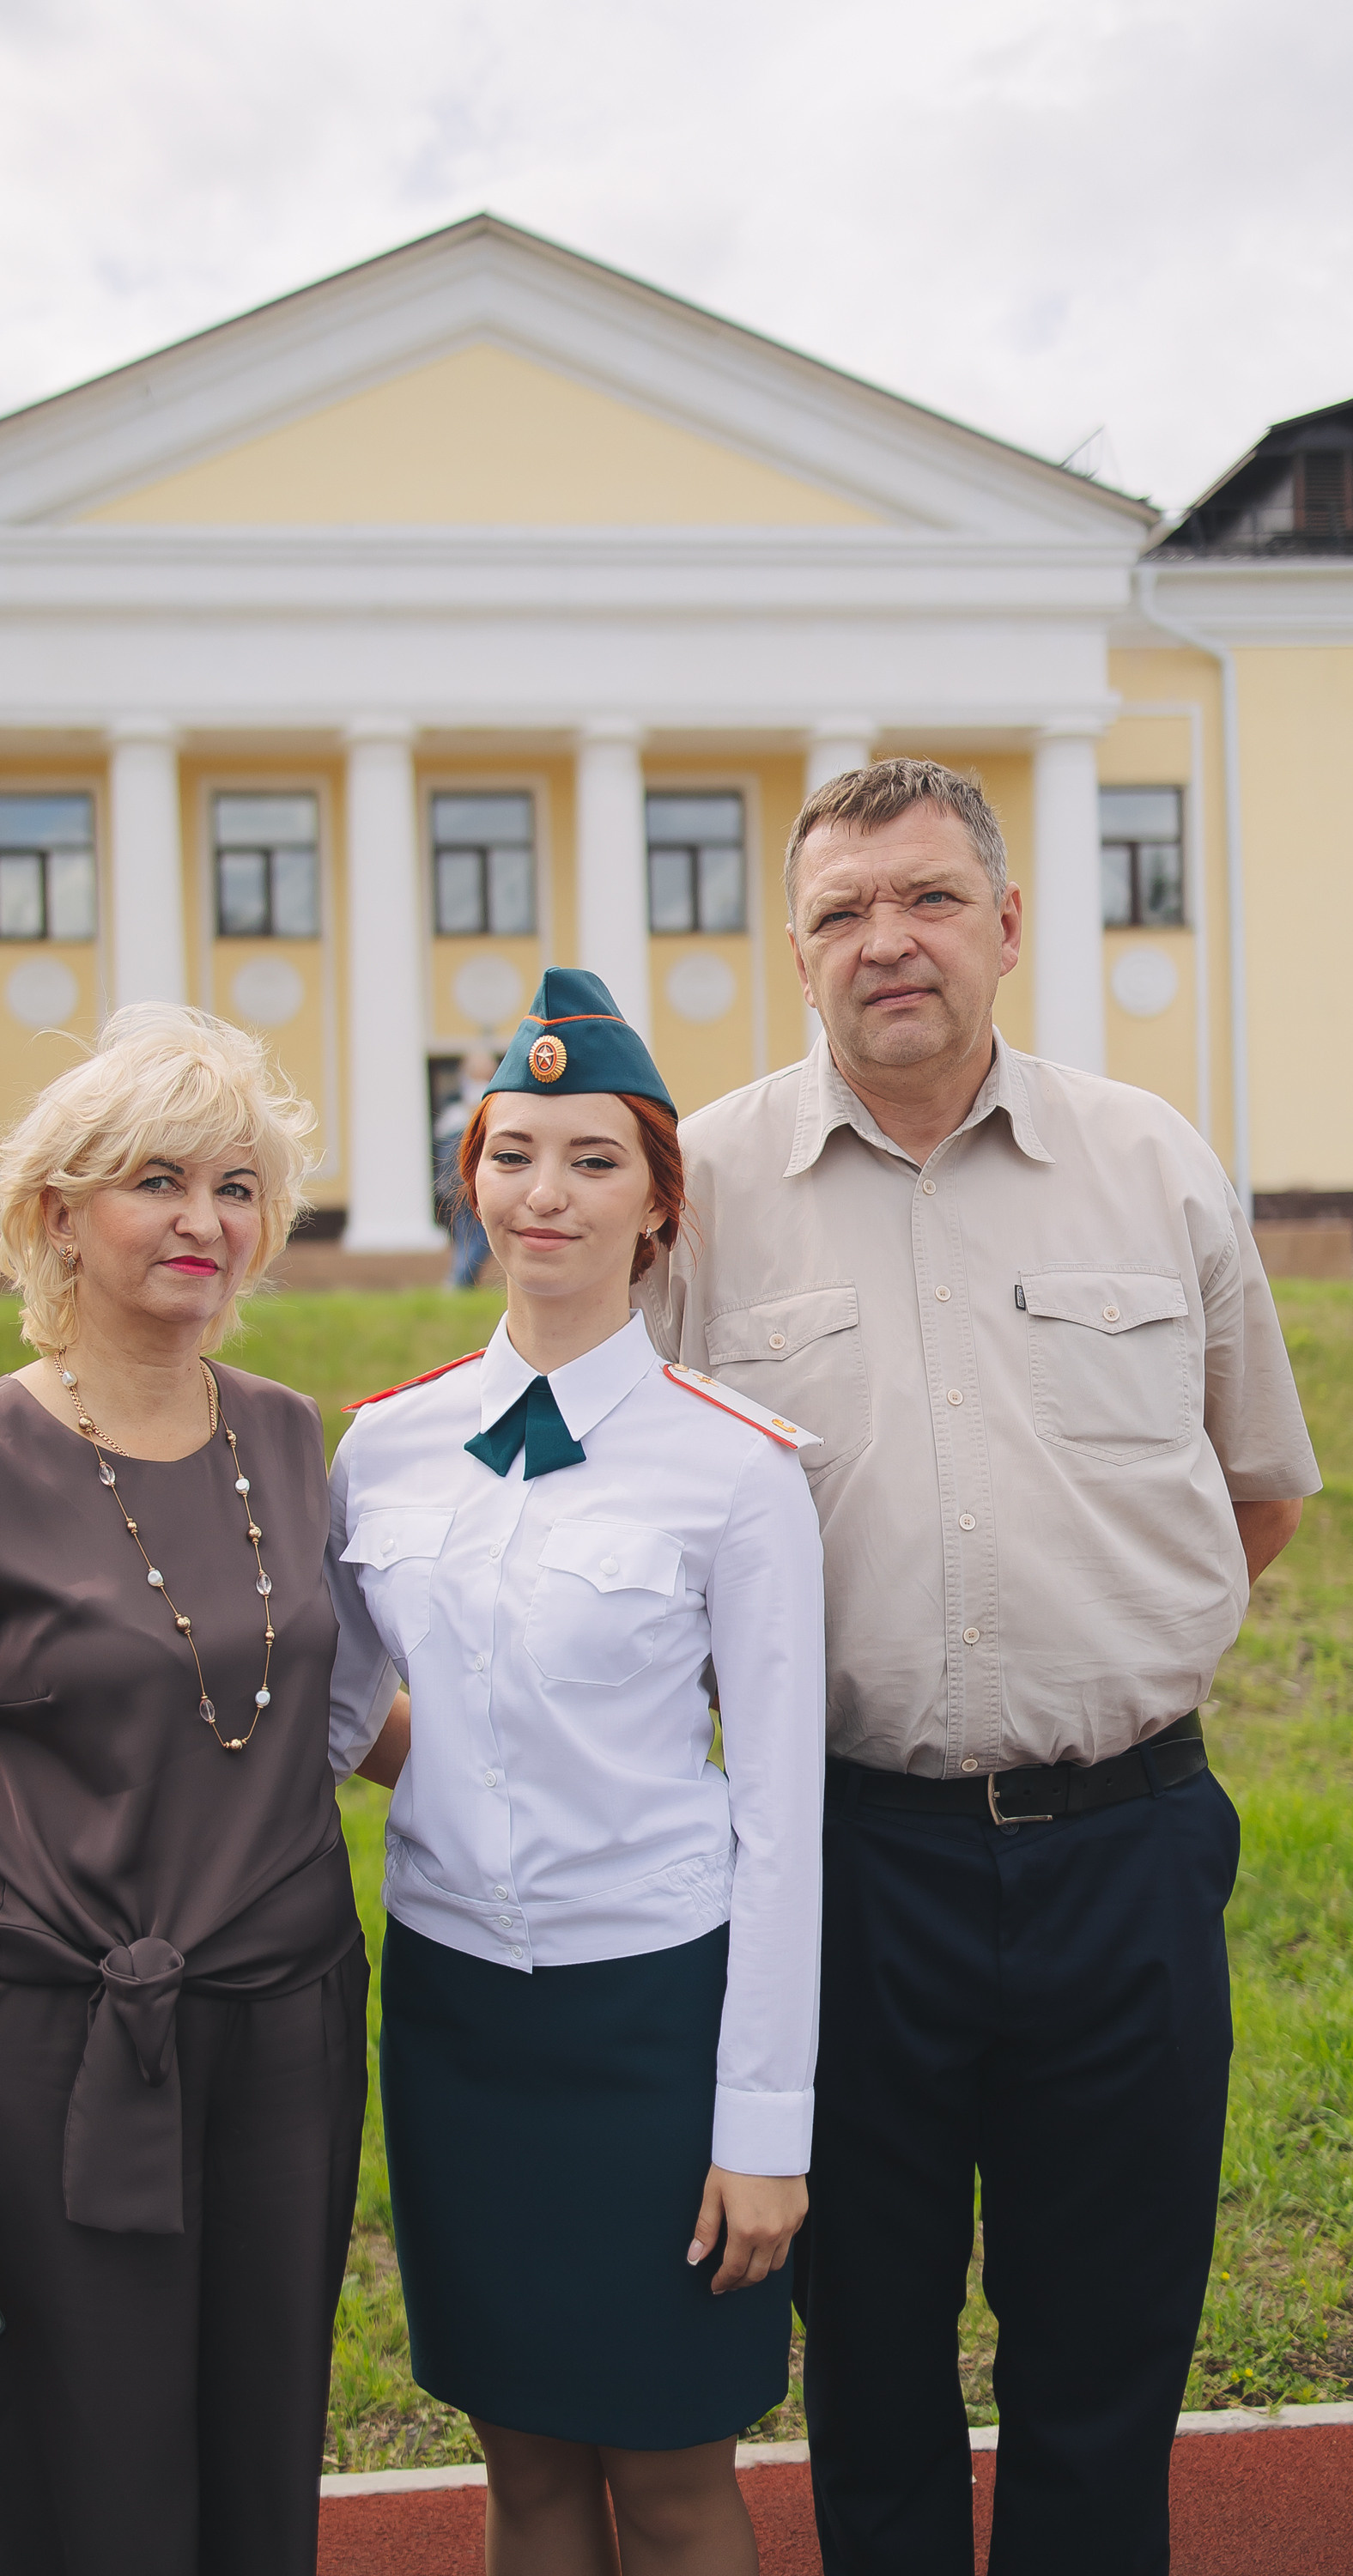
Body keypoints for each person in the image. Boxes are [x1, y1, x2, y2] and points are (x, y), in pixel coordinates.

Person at [641, 759, 1320, 2576]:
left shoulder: (1150, 1163)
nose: (890, 941)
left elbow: (1254, 1492)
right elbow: (618, 1520)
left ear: (1008, 924)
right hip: (848, 1864)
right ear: (794, 950)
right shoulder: (700, 1194)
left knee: (1108, 2354)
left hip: (1126, 1854)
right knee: (868, 2356)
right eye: (843, 912)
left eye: (930, 898)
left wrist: (1087, 1655)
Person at [0, 1005, 367, 2576]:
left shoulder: (290, 1437)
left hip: (285, 2039)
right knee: (79, 2461)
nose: (205, 1220)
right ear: (58, 1215)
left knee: (260, 2441)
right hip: (51, 2056)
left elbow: (331, 1706)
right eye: (157, 1180)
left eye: (236, 1186)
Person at [330, 968, 825, 2576]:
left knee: (672, 2479)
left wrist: (764, 2127)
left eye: (595, 1159)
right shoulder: (384, 1447)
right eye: (513, 1152)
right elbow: (337, 1704)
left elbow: (783, 1825)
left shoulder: (734, 1468)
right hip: (457, 2021)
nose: (546, 1192)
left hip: (654, 2024)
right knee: (527, 2469)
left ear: (660, 1204)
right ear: (471, 1177)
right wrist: (463, 1782)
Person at [434, 1048, 496, 1286]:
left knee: (470, 1234)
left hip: (463, 1181)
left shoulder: (455, 1102)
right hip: (467, 1179)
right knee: (479, 1234)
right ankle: (461, 1278)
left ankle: (461, 1278)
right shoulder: (488, 1097)